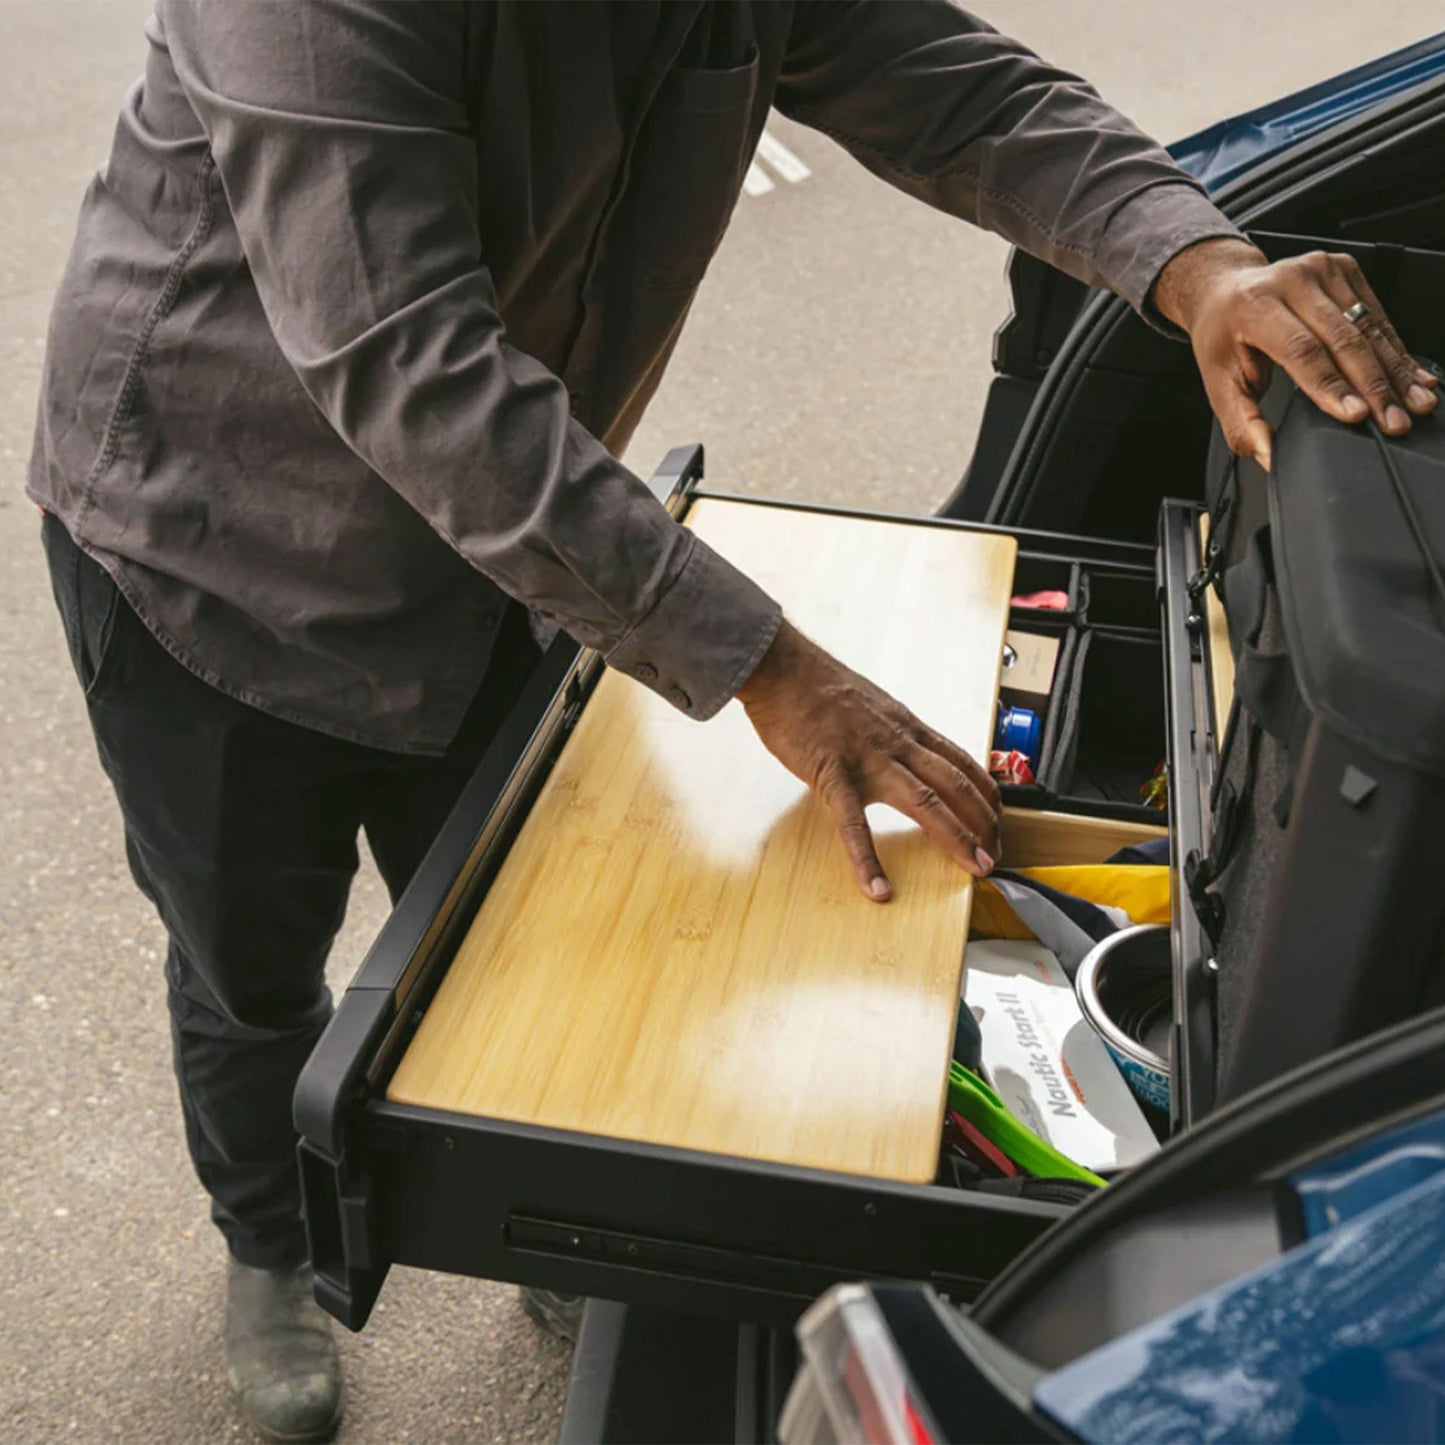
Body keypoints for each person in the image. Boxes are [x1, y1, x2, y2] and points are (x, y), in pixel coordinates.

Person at [28, 2, 1435, 1439]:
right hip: (216, 555)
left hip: (509, 545)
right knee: (249, 968)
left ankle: (533, 1205)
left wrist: (1198, 263)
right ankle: (270, 1242)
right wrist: (774, 668)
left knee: (517, 932)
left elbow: (963, 94)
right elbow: (409, 364)